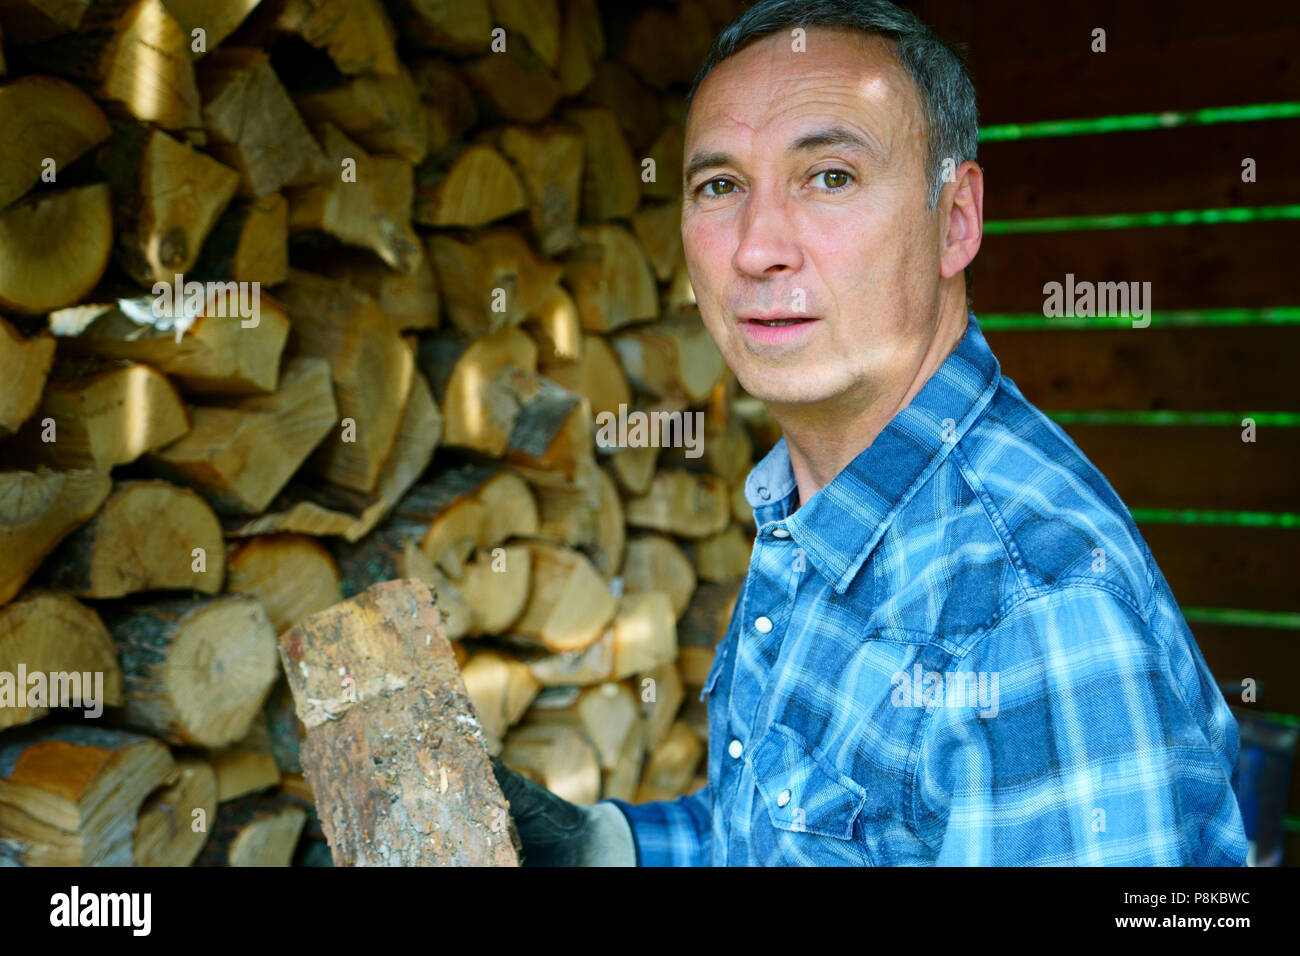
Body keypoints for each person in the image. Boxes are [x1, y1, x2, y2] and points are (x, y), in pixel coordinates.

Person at [494, 0, 1248, 866]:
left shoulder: (1030, 617)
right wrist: (603, 848)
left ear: (956, 220)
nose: (756, 247)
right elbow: (787, 834)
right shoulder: (820, 498)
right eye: (720, 186)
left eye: (830, 177)